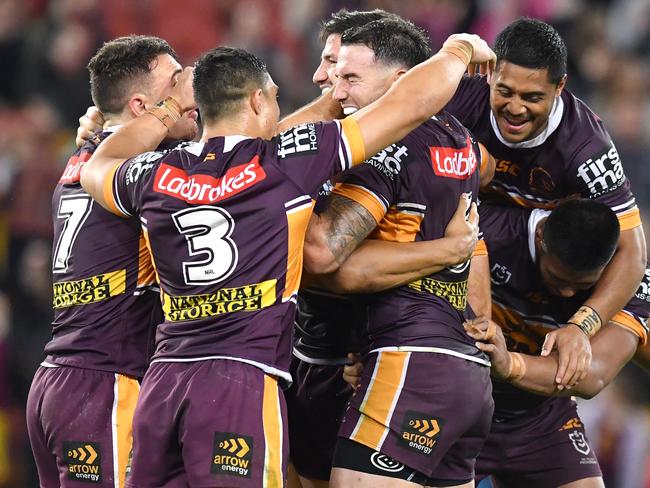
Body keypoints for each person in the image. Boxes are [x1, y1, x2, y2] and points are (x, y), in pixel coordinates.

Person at [79, 36, 496, 487]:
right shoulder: (285, 163)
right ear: (259, 100)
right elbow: (410, 106)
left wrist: (167, 110)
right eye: (276, 99)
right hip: (242, 380)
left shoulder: (153, 173)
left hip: (164, 382)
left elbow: (98, 166)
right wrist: (457, 49)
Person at [303, 19, 495, 488]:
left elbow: (323, 255)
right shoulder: (461, 143)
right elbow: (476, 255)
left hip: (410, 360)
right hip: (465, 371)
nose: (336, 91)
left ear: (402, 82)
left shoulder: (384, 146)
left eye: (350, 78)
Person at [26, 35, 198, 488]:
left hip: (61, 382)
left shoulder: (81, 157)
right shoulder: (142, 173)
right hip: (104, 385)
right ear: (142, 105)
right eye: (176, 82)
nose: (189, 94)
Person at [444, 17, 647, 387]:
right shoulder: (456, 102)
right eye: (505, 91)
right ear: (489, 73)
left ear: (560, 87)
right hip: (484, 237)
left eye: (532, 97)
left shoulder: (586, 149)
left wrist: (582, 324)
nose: (516, 108)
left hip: (561, 257)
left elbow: (633, 252)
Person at [462, 199, 649, 487]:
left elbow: (594, 375)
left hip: (540, 417)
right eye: (558, 277)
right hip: (465, 404)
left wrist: (509, 363)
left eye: (582, 286)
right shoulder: (490, 228)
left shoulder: (628, 283)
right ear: (541, 237)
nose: (566, 292)